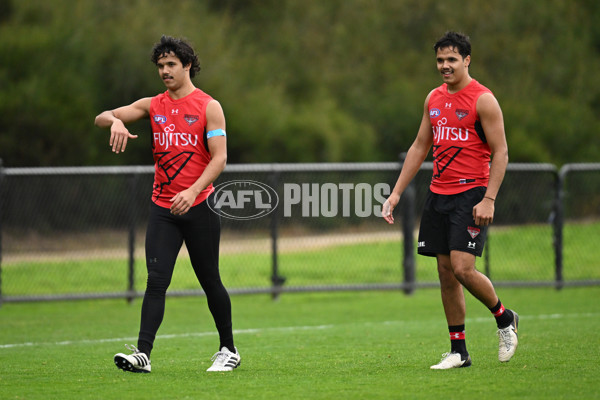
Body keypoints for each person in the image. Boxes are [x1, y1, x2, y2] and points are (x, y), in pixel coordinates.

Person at [95, 35, 240, 373]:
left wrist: (192, 191)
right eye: (160, 65)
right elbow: (101, 116)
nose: (164, 71)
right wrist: (115, 120)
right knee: (156, 280)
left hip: (199, 205)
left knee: (209, 279)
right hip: (162, 207)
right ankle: (142, 354)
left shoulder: (208, 106)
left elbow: (219, 159)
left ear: (187, 65)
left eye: (171, 64)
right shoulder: (152, 105)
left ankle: (228, 349)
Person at [382, 31, 518, 369]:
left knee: (462, 268)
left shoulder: (483, 99)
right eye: (440, 60)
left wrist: (489, 198)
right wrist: (396, 193)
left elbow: (500, 151)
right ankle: (459, 351)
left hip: (471, 194)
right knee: (445, 273)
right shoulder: (433, 98)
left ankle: (504, 317)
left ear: (467, 60)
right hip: (438, 194)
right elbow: (419, 146)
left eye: (452, 60)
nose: (445, 66)